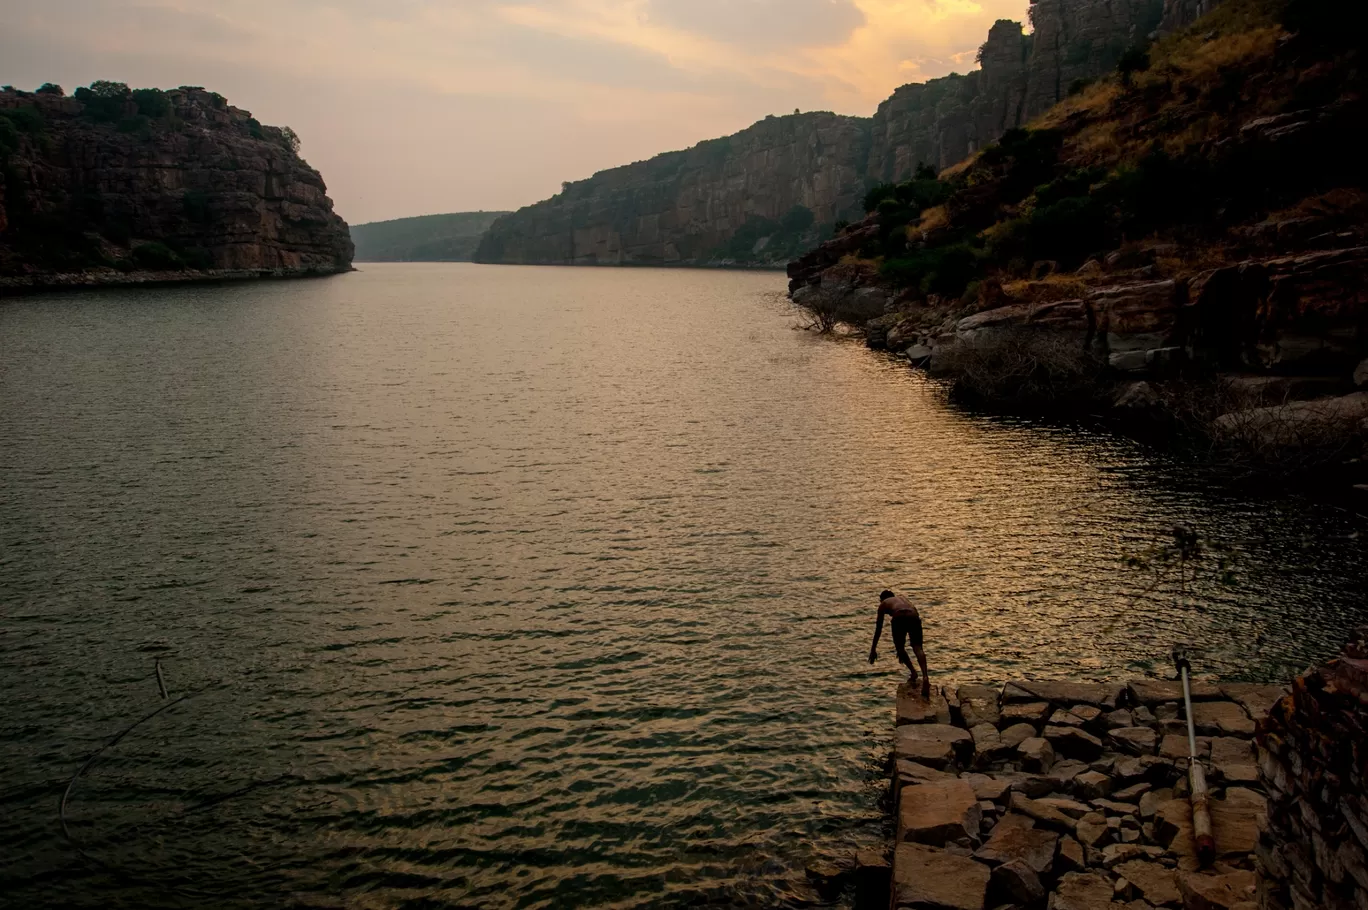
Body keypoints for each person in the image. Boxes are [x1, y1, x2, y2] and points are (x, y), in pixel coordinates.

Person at [868, 589, 930, 697]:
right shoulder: (903, 599)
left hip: (899, 616)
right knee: (918, 647)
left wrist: (873, 649)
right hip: (913, 615)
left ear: (881, 599)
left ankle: (914, 673)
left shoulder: (883, 604)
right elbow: (915, 612)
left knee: (900, 648)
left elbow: (878, 628)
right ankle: (925, 676)